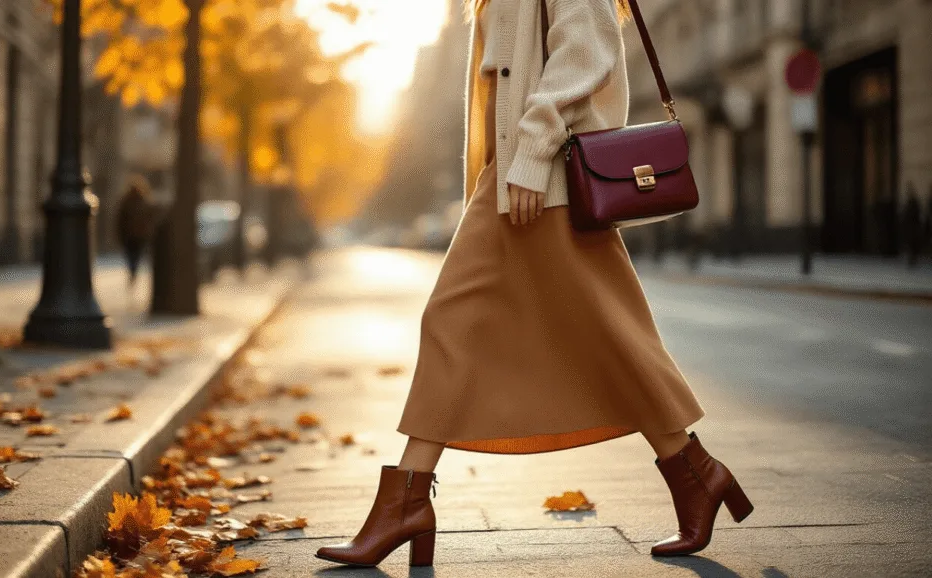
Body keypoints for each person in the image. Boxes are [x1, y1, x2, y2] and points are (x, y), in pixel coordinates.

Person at [315, 0, 753, 567]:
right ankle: (696, 474)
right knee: (593, 334)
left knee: (510, 327)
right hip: (513, 176)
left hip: (538, 177)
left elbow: (584, 49)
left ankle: (407, 502)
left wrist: (531, 153)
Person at [115, 175, 158, 287]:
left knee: (132, 257)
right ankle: (133, 272)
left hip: (130, 236)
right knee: (135, 257)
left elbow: (120, 220)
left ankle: (132, 272)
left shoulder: (127, 201)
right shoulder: (142, 200)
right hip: (138, 235)